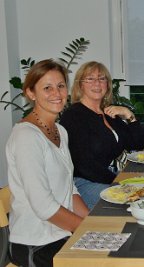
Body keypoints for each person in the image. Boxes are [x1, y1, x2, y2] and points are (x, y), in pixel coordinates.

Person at [6, 59, 89, 266]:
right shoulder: (26, 136)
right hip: (36, 243)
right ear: (31, 93)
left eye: (61, 86)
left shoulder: (60, 131)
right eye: (47, 88)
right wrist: (87, 229)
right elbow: (43, 206)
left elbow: (69, 188)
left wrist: (92, 221)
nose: (57, 93)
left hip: (61, 235)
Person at [60, 61, 144, 210]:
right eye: (90, 79)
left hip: (109, 177)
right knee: (136, 204)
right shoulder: (73, 116)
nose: (97, 83)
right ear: (80, 85)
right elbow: (83, 165)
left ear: (107, 84)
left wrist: (129, 115)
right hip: (85, 183)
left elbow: (140, 143)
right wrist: (117, 181)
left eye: (102, 79)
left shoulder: (109, 114)